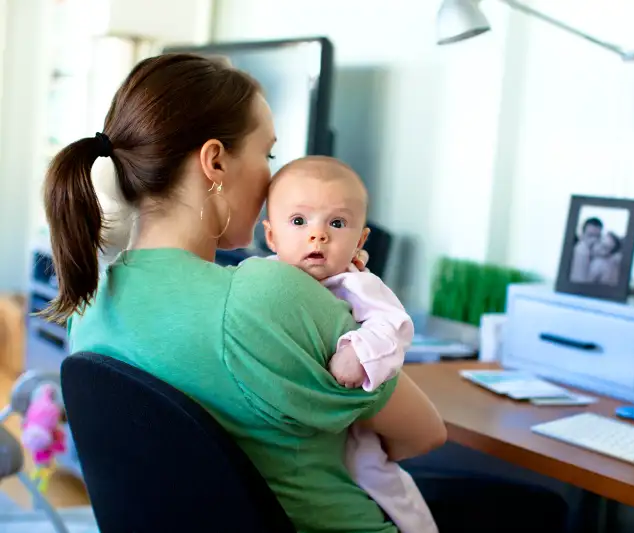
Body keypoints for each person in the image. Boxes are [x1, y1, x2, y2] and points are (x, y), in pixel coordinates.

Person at [43, 53, 568, 532]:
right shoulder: (266, 293)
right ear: (215, 162)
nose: (272, 178)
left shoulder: (89, 303)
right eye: (268, 153)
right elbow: (423, 434)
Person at [262, 155, 436, 532]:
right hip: (304, 431)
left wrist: (356, 350)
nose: (318, 234)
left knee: (379, 479)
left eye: (336, 223)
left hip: (358, 421)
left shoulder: (356, 284)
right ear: (271, 236)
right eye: (299, 221)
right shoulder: (262, 278)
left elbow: (393, 325)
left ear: (360, 239)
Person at [570, 217, 603, 283]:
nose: (593, 240)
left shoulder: (600, 254)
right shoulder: (580, 250)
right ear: (582, 235)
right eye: (590, 235)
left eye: (597, 236)